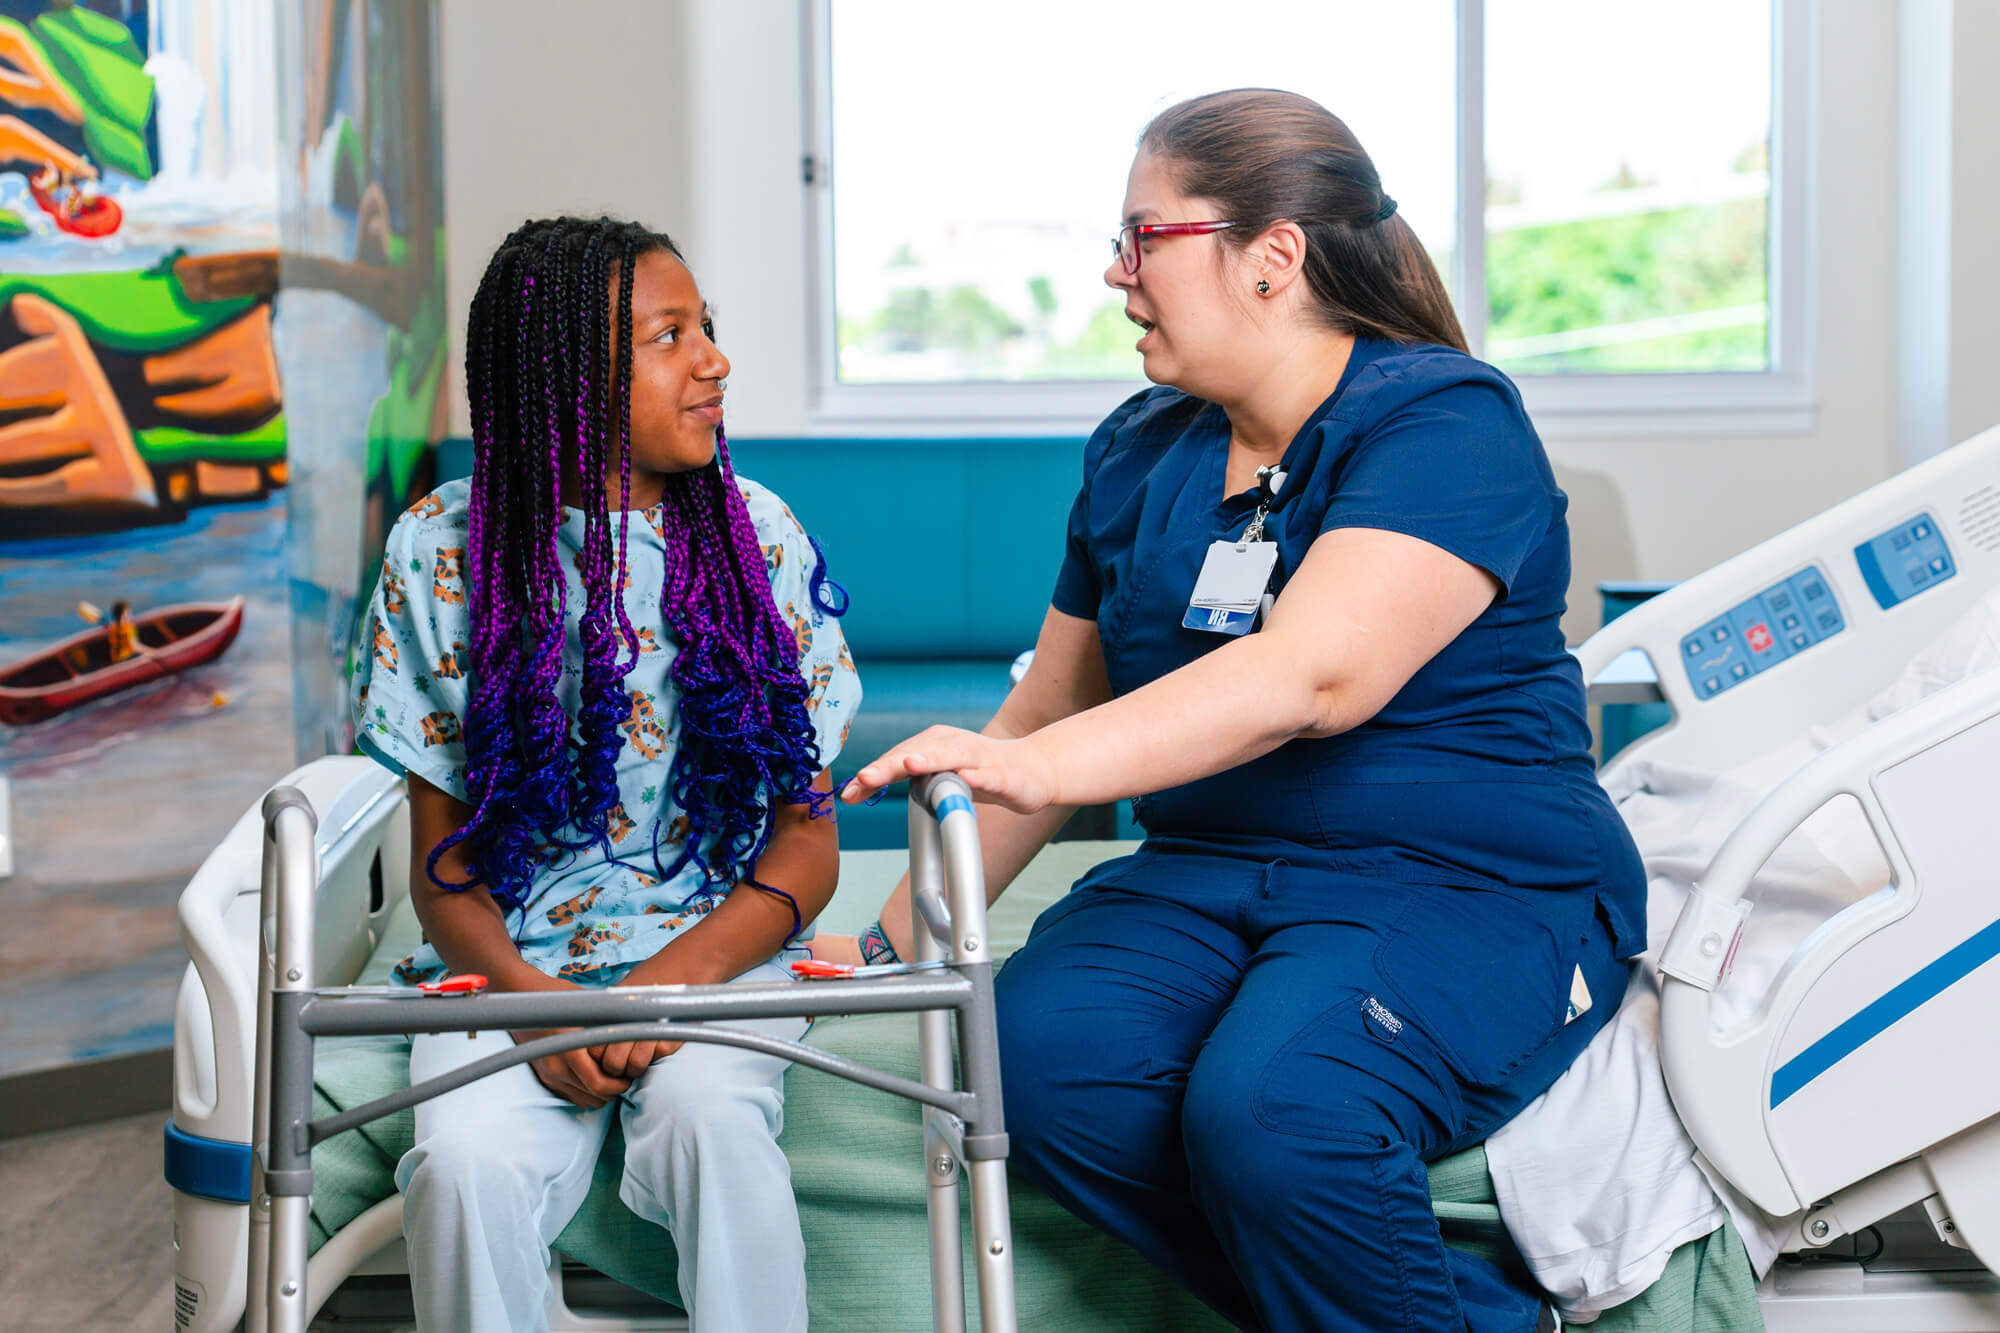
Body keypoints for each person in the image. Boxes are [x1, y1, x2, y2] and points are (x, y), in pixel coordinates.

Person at [830, 90, 1644, 1332]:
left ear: (1274, 258)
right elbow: (1049, 696)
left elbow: (1312, 676)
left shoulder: (1443, 421)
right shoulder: (1138, 450)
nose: (1113, 274)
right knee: (1041, 1065)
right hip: (1213, 871)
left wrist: (1048, 767)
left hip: (1462, 878)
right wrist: (894, 947)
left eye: (1141, 237)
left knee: (1276, 1112)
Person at [351, 216, 859, 1333]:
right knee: (462, 1164)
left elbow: (805, 842)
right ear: (566, 377)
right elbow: (443, 865)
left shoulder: (756, 538)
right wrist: (545, 1014)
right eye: (670, 336)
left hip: (712, 957)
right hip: (514, 970)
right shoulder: (440, 551)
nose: (714, 359)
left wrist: (662, 987)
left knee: (710, 1127)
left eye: (707, 329)